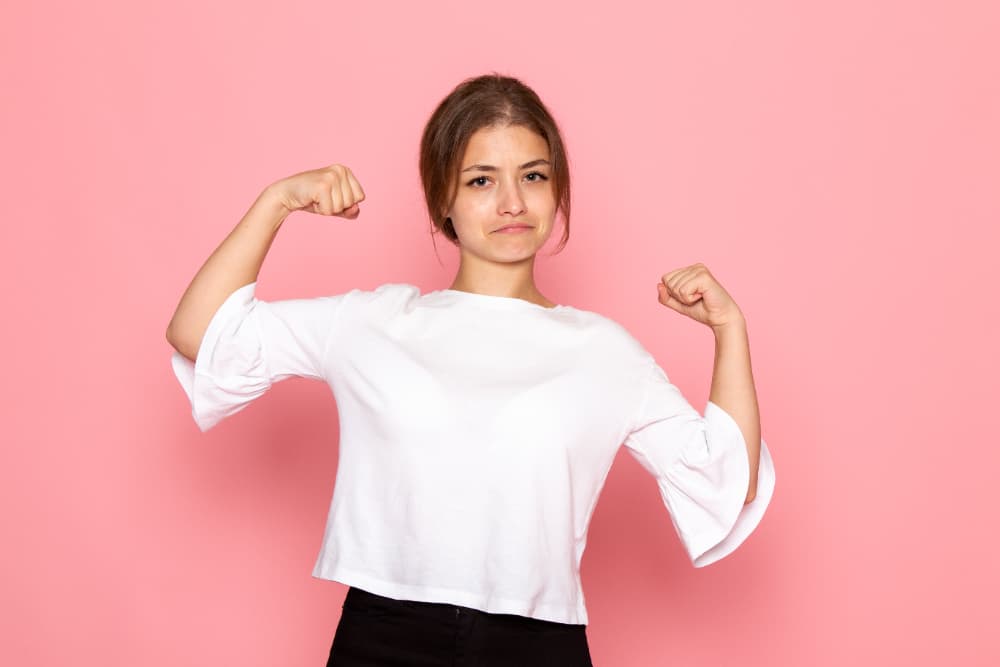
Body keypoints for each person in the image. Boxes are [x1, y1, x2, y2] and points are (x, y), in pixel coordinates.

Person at [166, 73, 776, 667]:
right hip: (383, 634)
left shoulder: (606, 352)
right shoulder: (371, 322)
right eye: (482, 180)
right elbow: (200, 334)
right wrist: (276, 202)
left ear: (557, 191)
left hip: (539, 643)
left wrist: (730, 331)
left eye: (533, 176)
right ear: (443, 202)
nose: (512, 203)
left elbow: (726, 480)